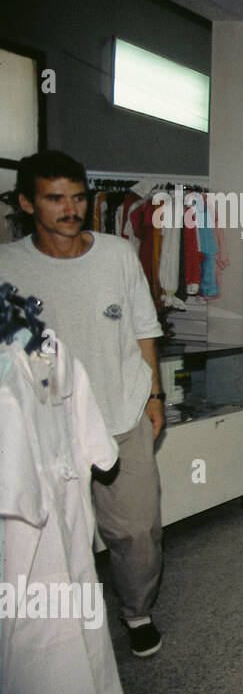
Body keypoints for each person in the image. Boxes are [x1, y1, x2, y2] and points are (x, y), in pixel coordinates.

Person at [1, 151, 166, 657]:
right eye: (55, 198)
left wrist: (155, 395)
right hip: (46, 427)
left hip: (121, 412)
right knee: (50, 530)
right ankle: (61, 630)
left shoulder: (117, 254)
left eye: (77, 197)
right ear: (28, 203)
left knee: (137, 529)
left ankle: (137, 612)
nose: (70, 209)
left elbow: (144, 330)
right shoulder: (8, 266)